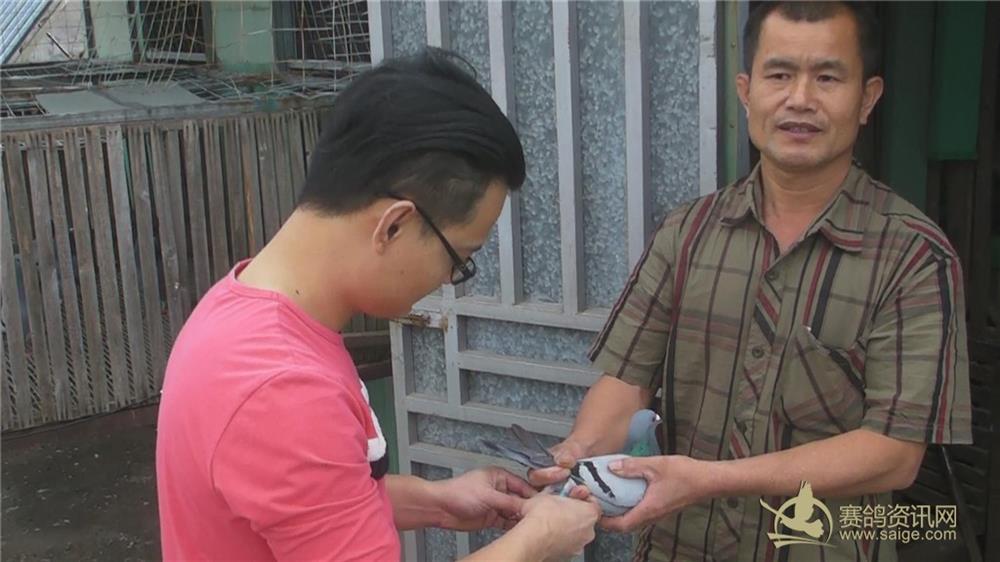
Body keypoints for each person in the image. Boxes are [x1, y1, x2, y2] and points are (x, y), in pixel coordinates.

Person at [531, 3, 972, 561]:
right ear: (745, 91)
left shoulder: (913, 255)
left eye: (828, 78)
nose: (800, 99)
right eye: (780, 74)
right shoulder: (687, 232)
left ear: (867, 98)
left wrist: (711, 479)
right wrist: (577, 452)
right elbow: (627, 381)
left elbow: (894, 453)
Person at [155, 48, 600, 562]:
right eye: (459, 257)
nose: (449, 280)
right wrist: (537, 541)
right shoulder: (285, 388)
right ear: (394, 225)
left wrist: (437, 502)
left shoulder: (239, 309)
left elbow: (310, 501)